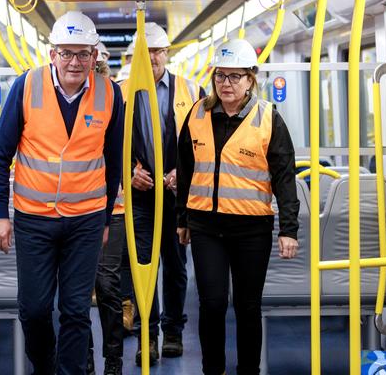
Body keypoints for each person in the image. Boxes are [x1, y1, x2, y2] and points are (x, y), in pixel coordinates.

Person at [0, 10, 124, 375]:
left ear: (95, 57)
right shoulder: (26, 86)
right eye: (66, 53)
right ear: (52, 54)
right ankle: (45, 367)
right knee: (33, 309)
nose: (74, 62)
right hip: (34, 219)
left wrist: (107, 216)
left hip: (86, 220)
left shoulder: (111, 94)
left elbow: (113, 161)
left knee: (77, 311)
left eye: (82, 53)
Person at [175, 38, 299, 375]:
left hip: (251, 229)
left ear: (250, 79)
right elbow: (186, 170)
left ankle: (249, 370)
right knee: (212, 304)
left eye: (234, 76)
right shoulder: (197, 113)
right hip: (205, 227)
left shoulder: (268, 119)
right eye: (220, 76)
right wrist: (182, 218)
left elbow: (285, 176)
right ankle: (211, 370)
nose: (226, 84)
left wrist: (289, 228)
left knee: (247, 306)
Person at [118, 22, 205, 366]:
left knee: (175, 265)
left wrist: (178, 175)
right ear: (136, 55)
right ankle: (146, 335)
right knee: (143, 265)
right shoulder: (120, 92)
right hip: (140, 195)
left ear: (167, 54)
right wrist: (129, 174)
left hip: (176, 194)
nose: (153, 57)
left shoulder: (192, 91)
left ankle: (172, 331)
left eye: (158, 51)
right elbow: (111, 146)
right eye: (147, 51)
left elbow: (203, 146)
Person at [85, 40, 124, 375]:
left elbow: (119, 153)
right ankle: (84, 357)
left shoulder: (114, 98)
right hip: (79, 210)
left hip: (114, 209)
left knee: (107, 284)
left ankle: (113, 359)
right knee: (78, 291)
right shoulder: (62, 101)